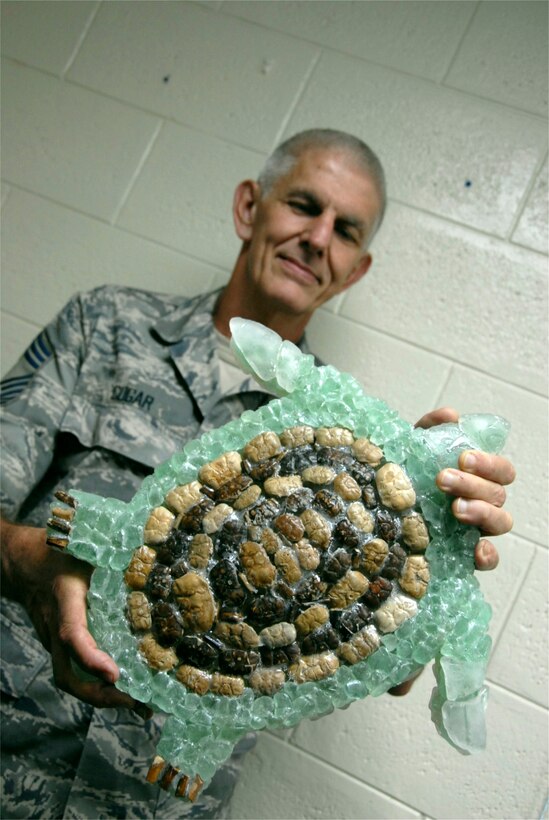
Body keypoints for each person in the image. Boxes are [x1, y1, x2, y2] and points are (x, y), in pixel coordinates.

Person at [0, 129, 515, 818]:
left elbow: (392, 672)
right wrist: (34, 557)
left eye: (345, 230)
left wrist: (438, 542)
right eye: (304, 205)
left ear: (356, 267)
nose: (317, 238)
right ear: (250, 207)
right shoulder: (106, 324)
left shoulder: (346, 417)